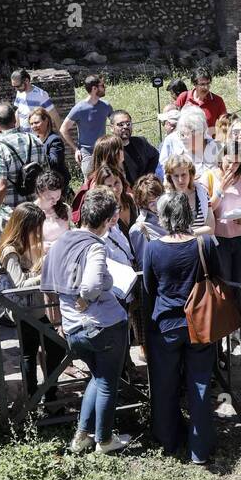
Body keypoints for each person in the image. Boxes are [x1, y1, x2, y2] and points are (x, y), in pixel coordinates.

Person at [41, 189, 132, 455]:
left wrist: (61, 314)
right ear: (106, 222)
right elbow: (92, 284)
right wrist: (86, 297)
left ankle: (82, 436)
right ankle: (104, 441)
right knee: (107, 383)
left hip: (73, 329)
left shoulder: (62, 240)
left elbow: (48, 280)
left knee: (97, 377)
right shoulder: (95, 245)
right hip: (102, 326)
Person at [142, 191, 221, 464]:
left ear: (163, 217)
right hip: (199, 324)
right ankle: (199, 448)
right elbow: (218, 276)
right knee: (199, 384)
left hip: (165, 325)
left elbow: (148, 288)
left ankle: (168, 441)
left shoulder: (152, 248)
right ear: (187, 215)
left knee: (165, 385)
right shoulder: (205, 243)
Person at [0, 202, 64, 406]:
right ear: (24, 227)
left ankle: (46, 393)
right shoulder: (10, 251)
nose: (39, 232)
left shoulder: (27, 244)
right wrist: (43, 272)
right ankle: (35, 397)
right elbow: (20, 284)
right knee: (31, 351)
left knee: (52, 347)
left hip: (37, 307)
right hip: (23, 311)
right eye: (36, 228)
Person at [0, 101, 44, 232]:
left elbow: (0, 186)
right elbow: (45, 176)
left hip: (12, 216)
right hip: (37, 210)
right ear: (15, 119)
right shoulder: (35, 139)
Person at [210, 149, 241, 284]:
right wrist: (221, 189)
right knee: (223, 280)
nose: (232, 167)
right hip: (219, 238)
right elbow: (208, 208)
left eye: (236, 163)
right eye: (229, 162)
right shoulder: (210, 177)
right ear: (221, 158)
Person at [60, 75, 112, 175]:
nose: (105, 87)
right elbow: (63, 129)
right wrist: (76, 149)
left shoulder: (106, 106)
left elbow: (115, 123)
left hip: (104, 151)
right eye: (102, 85)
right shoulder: (79, 109)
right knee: (90, 182)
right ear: (94, 88)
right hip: (87, 153)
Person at [163, 154, 215, 234]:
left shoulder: (202, 193)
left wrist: (188, 234)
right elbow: (165, 231)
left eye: (183, 175)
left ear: (190, 174)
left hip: (201, 244)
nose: (180, 180)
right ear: (170, 177)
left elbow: (211, 227)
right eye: (176, 176)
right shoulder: (166, 199)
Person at [111, 110, 159, 186]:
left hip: (142, 191)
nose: (125, 127)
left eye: (128, 123)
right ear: (112, 127)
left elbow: (155, 155)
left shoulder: (140, 142)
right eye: (120, 124)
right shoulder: (108, 148)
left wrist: (148, 175)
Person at [29, 106, 70, 193]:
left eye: (36, 123)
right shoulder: (35, 140)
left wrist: (37, 151)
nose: (34, 126)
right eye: (31, 124)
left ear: (46, 120)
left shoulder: (55, 140)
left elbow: (54, 162)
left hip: (57, 185)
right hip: (44, 185)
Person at [174, 65, 227, 131]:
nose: (206, 87)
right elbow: (174, 121)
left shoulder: (217, 101)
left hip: (207, 140)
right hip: (185, 139)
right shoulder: (183, 97)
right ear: (194, 84)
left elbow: (225, 125)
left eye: (208, 83)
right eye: (202, 84)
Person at [129, 174, 166, 263]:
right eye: (152, 202)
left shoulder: (170, 215)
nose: (158, 205)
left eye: (159, 198)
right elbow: (144, 264)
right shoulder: (139, 229)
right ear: (143, 204)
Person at [35, 169, 71, 249]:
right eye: (50, 198)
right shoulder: (30, 213)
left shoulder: (65, 209)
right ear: (39, 193)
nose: (55, 202)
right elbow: (22, 246)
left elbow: (69, 233)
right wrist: (39, 247)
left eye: (57, 197)